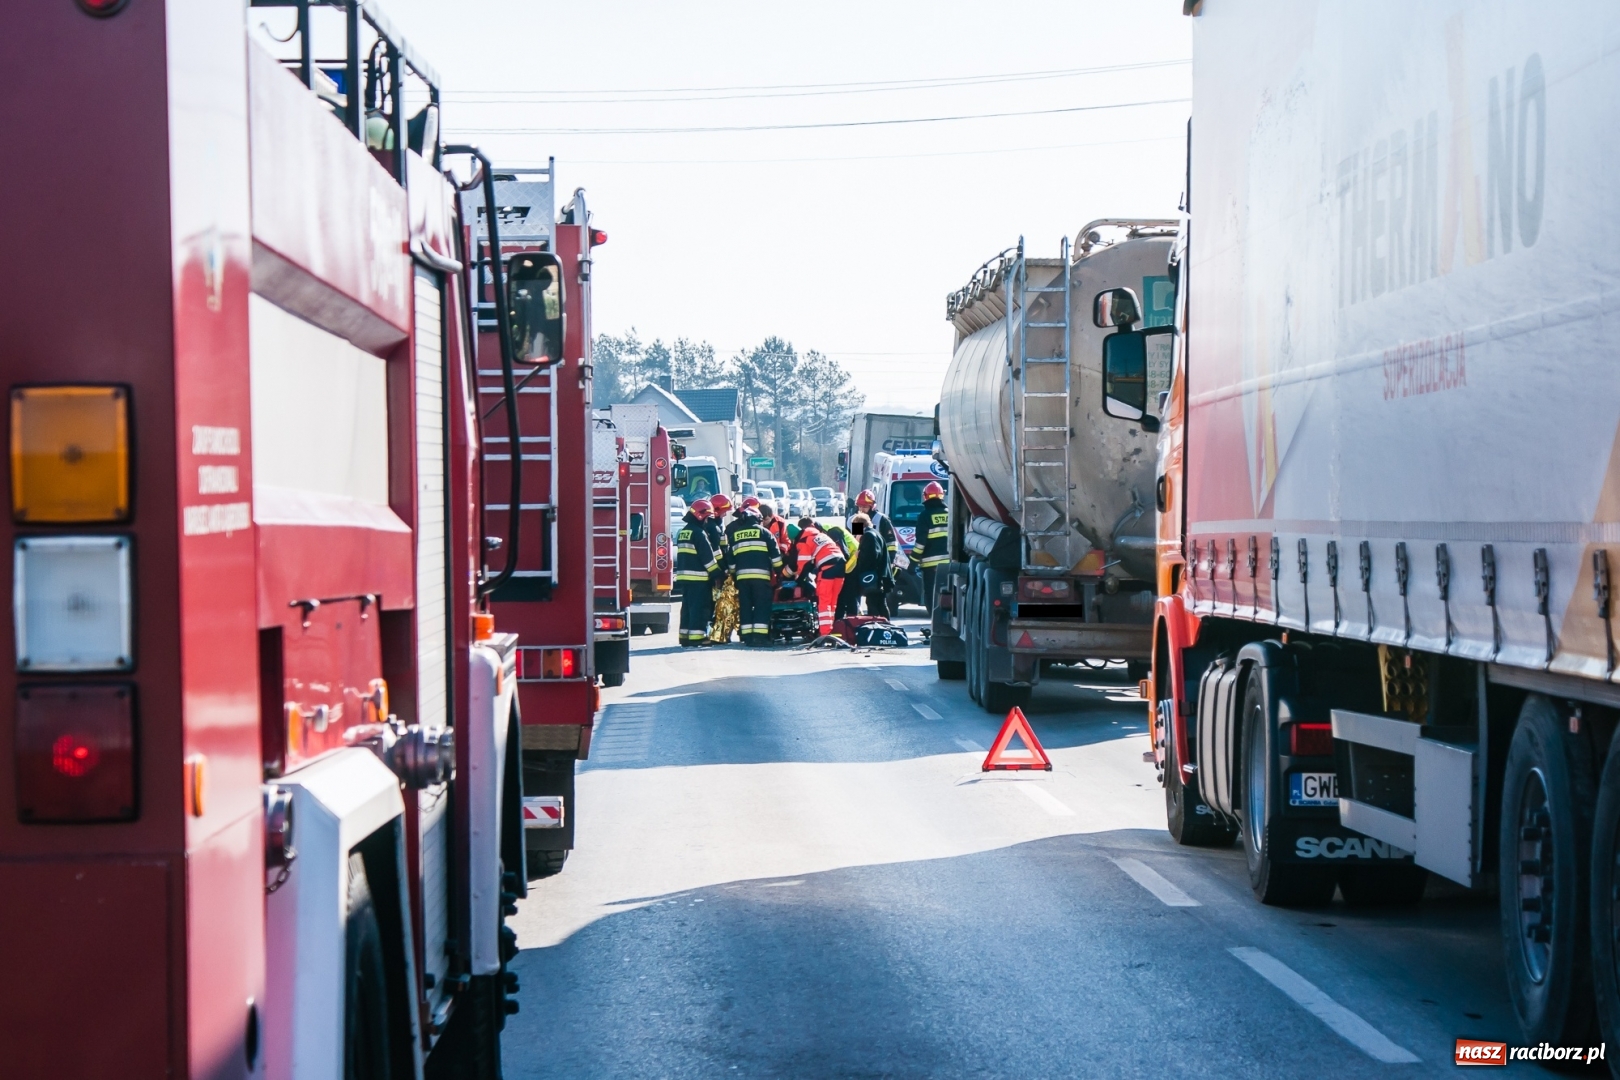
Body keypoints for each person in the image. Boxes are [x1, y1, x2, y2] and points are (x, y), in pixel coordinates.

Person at [725, 500, 783, 646]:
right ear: (758, 518)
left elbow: (730, 559)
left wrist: (733, 574)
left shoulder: (735, 535)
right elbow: (776, 558)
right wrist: (780, 574)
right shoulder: (765, 533)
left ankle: (747, 637)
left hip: (742, 579)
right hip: (761, 578)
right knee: (761, 606)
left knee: (745, 606)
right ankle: (759, 637)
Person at [674, 499, 719, 646]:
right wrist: (718, 574)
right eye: (707, 517)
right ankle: (697, 638)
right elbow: (708, 559)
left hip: (684, 579)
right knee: (699, 608)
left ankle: (685, 637)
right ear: (701, 516)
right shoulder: (699, 533)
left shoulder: (684, 532)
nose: (708, 521)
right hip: (698, 579)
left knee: (687, 608)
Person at [793, 519, 845, 636]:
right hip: (841, 564)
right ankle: (832, 630)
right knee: (832, 601)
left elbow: (804, 563)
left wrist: (799, 581)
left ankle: (825, 633)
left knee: (824, 601)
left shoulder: (803, 539)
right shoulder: (821, 535)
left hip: (827, 567)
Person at [853, 489, 900, 616]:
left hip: (879, 566)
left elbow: (891, 543)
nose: (862, 509)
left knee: (876, 600)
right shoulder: (858, 520)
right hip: (868, 567)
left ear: (872, 506)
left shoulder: (882, 520)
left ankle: (879, 623)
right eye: (860, 506)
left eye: (865, 506)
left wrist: (890, 561)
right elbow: (857, 541)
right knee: (875, 600)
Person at [707, 493, 738, 643]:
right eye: (724, 511)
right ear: (718, 510)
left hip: (719, 569)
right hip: (717, 572)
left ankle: (719, 634)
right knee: (718, 604)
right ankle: (716, 634)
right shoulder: (713, 527)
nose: (726, 514)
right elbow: (717, 551)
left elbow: (724, 548)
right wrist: (724, 569)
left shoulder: (718, 525)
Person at [847, 512, 891, 616]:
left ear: (859, 525)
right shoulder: (875, 533)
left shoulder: (868, 536)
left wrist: (859, 555)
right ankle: (886, 625)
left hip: (873, 577)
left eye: (855, 527)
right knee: (881, 603)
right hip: (880, 575)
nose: (854, 531)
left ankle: (876, 626)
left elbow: (871, 556)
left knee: (872, 603)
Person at [918, 480, 949, 615]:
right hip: (949, 565)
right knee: (947, 593)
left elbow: (920, 543)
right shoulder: (950, 513)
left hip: (930, 567)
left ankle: (934, 623)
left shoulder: (924, 516)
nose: (862, 509)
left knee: (931, 595)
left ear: (925, 496)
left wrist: (912, 563)